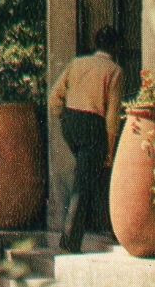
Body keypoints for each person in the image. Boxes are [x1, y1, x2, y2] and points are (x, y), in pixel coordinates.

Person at [49, 26, 124, 253]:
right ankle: (70, 241)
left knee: (89, 173)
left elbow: (55, 97)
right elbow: (112, 117)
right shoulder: (114, 71)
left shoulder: (77, 63)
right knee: (84, 181)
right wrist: (110, 151)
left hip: (70, 122)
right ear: (116, 46)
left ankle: (107, 227)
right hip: (94, 125)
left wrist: (62, 116)